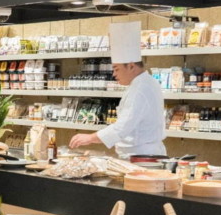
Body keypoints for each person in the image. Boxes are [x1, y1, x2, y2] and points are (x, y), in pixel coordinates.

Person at [69, 21, 166, 158]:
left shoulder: (140, 89)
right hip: (140, 154)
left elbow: (122, 127)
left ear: (131, 66)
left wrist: (90, 138)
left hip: (142, 156)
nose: (114, 74)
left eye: (116, 69)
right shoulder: (145, 83)